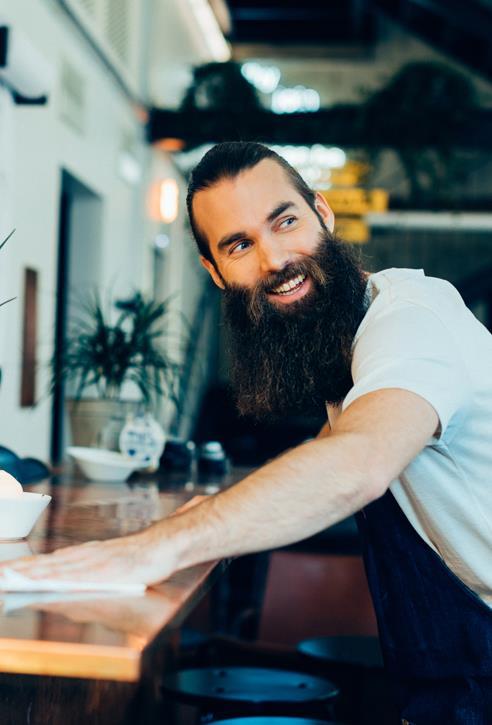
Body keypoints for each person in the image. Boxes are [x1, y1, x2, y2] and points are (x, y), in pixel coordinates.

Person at [7, 142, 492, 722]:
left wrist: (150, 549)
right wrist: (176, 524)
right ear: (215, 273)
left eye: (285, 221)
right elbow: (326, 454)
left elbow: (358, 461)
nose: (275, 258)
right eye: (240, 244)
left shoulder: (413, 319)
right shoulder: (352, 344)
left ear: (323, 215)